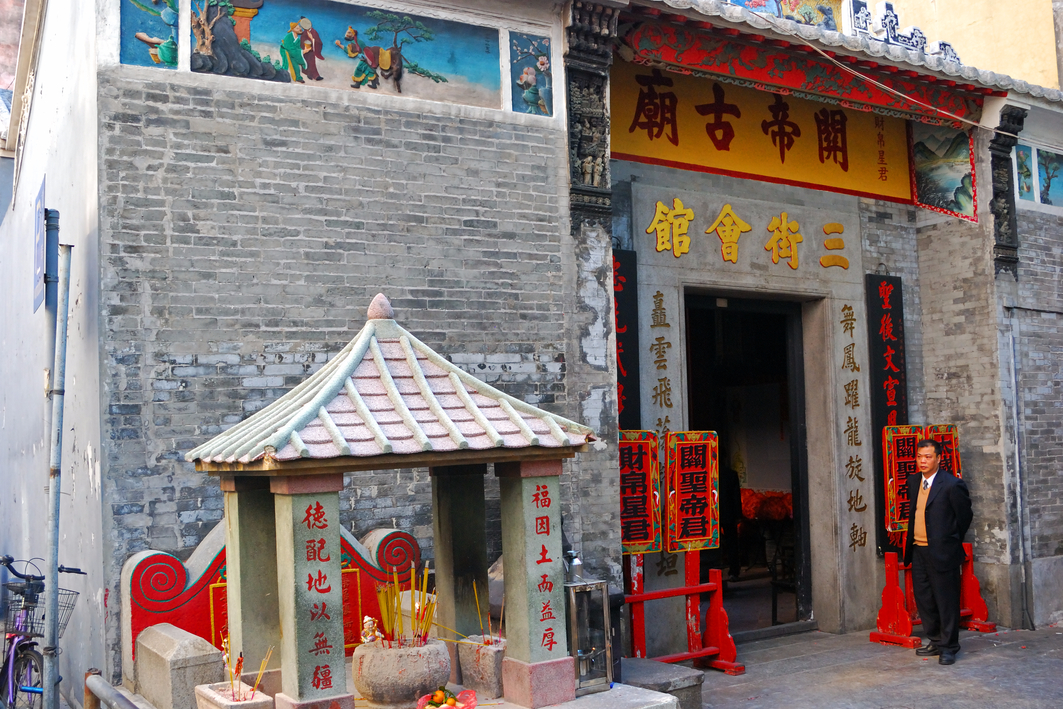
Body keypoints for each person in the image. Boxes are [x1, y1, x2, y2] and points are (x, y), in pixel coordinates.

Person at [903, 438, 972, 665]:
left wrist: (950, 540)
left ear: (938, 458)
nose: (923, 461)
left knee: (946, 600)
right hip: (918, 550)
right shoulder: (914, 482)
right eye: (920, 456)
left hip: (943, 551)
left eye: (928, 457)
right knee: (925, 599)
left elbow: (964, 517)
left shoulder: (952, 485)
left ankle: (949, 647)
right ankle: (935, 639)